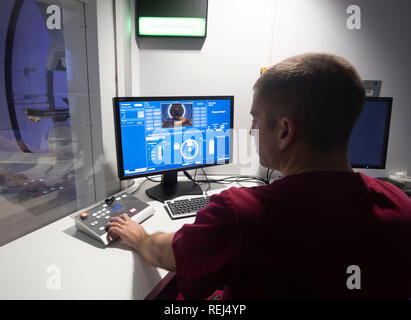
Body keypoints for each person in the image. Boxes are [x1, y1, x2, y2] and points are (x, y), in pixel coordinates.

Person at [106, 53, 411, 299]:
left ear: (284, 131)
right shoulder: (400, 206)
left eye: (256, 120)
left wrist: (142, 238)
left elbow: (169, 253)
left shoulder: (240, 214)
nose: (252, 131)